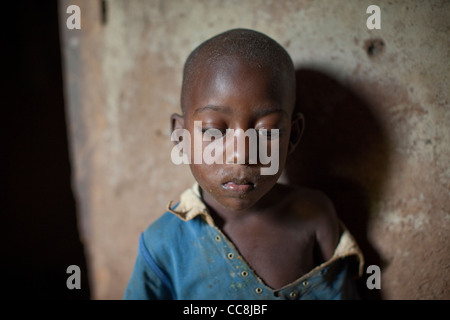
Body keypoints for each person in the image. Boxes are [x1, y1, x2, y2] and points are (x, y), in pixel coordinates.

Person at [124, 28, 364, 300]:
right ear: (181, 135)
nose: (241, 155)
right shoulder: (164, 244)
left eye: (267, 132)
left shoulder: (314, 216)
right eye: (214, 131)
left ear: (293, 136)